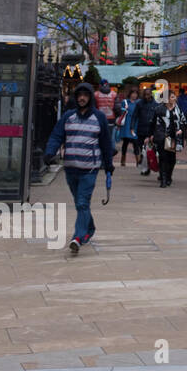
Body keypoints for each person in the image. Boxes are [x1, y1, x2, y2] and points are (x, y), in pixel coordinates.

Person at [44, 82, 115, 253]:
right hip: (70, 168)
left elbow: (106, 143)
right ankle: (89, 229)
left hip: (89, 169)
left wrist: (109, 166)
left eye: (85, 95)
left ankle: (78, 237)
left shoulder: (99, 117)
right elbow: (57, 135)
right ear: (76, 97)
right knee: (79, 203)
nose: (82, 98)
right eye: (79, 95)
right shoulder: (68, 116)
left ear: (90, 97)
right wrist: (49, 152)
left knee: (82, 203)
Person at [153, 92, 185, 188]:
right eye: (171, 97)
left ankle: (169, 176)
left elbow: (183, 121)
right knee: (163, 158)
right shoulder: (159, 109)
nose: (174, 98)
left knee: (172, 159)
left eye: (174, 96)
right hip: (162, 136)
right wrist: (150, 135)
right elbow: (153, 123)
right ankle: (163, 179)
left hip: (174, 138)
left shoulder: (178, 110)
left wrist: (181, 130)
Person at [117, 87, 141, 170]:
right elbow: (122, 112)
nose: (134, 95)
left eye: (136, 94)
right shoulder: (125, 102)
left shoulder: (139, 103)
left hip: (135, 125)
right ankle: (123, 160)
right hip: (127, 124)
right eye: (133, 93)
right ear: (130, 94)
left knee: (135, 143)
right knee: (125, 142)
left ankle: (138, 161)